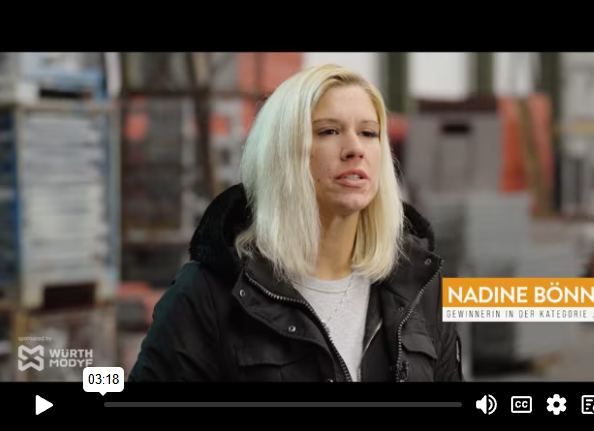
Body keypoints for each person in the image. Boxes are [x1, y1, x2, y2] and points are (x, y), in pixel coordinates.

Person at [128, 64, 463, 382]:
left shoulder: (419, 285)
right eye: (329, 131)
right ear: (282, 153)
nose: (355, 149)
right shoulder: (208, 294)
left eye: (368, 132)